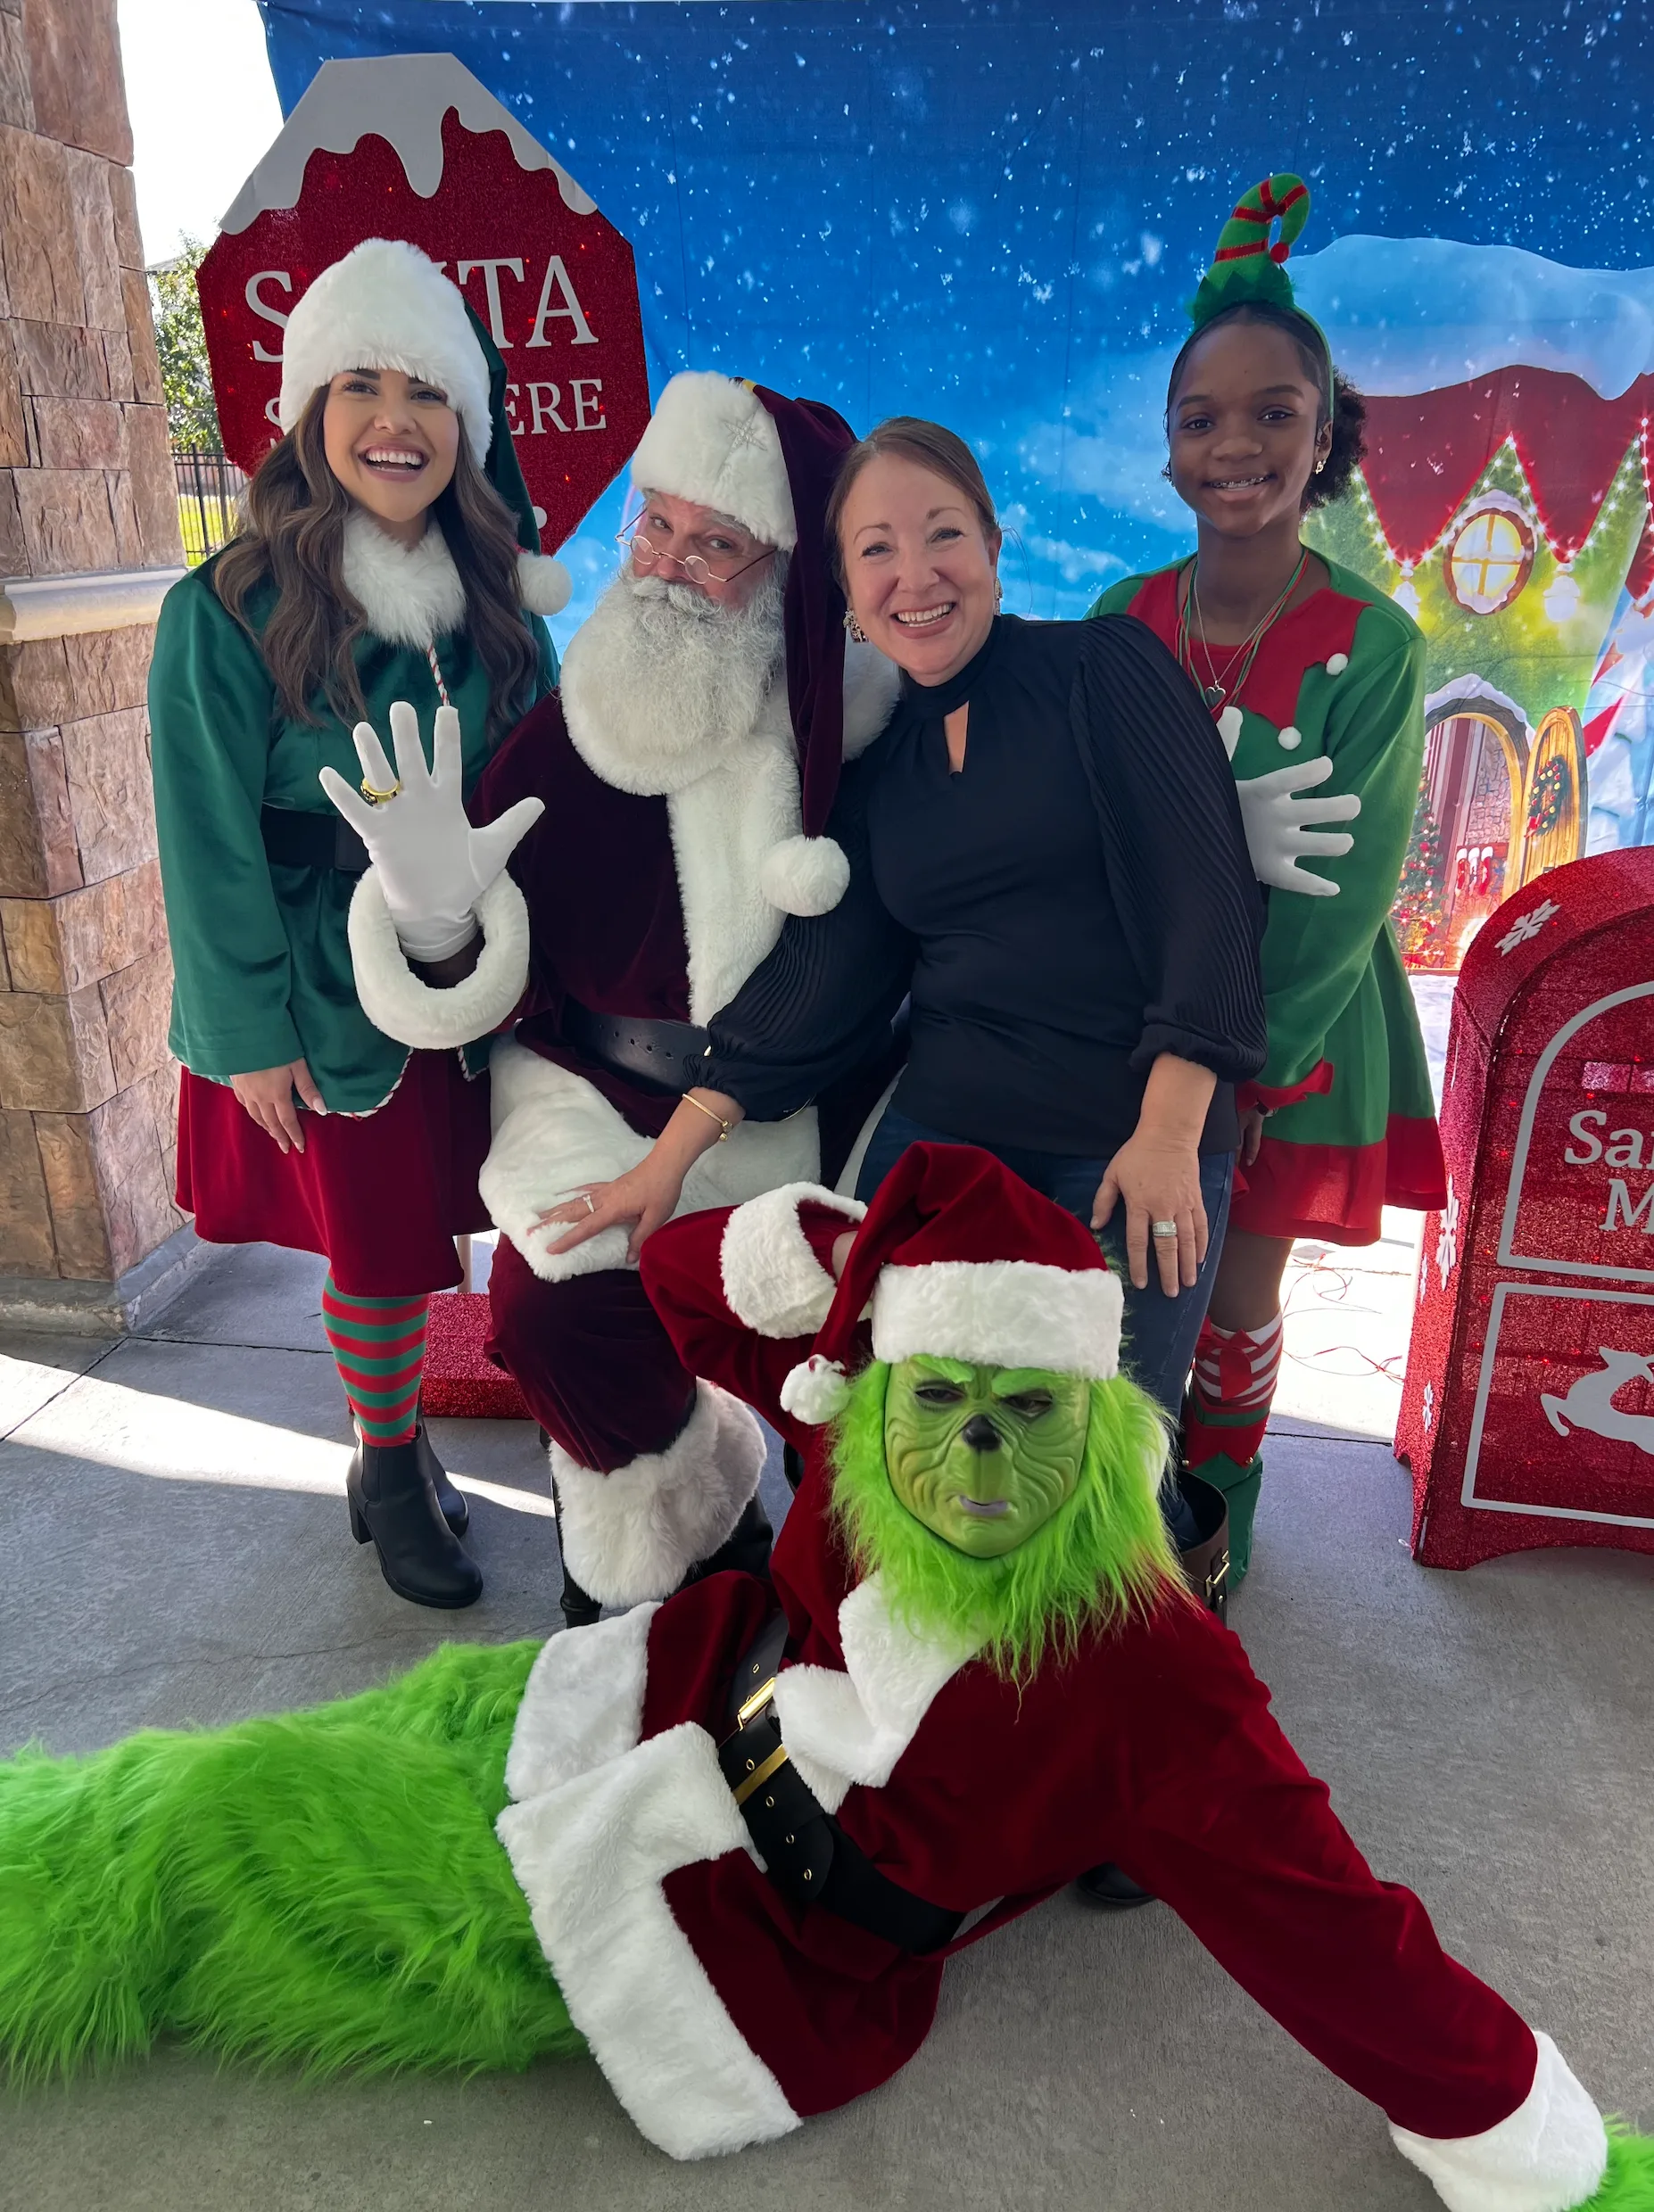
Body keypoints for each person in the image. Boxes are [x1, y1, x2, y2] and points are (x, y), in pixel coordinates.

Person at [0, 1144, 1644, 2212]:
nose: (977, 1452)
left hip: (746, 1916)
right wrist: (807, 1259)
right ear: (871, 1388)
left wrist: (1538, 2153)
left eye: (1028, 1409)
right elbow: (663, 1286)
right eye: (937, 1399)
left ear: (1096, 1430)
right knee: (269, 1755)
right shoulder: (843, 1423)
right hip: (672, 1691)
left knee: (227, 1840)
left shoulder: (1146, 1671)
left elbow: (1337, 1931)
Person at [542, 417, 1269, 1476]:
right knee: (879, 1455)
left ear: (992, 545)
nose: (913, 575)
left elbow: (1207, 896)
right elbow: (826, 977)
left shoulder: (1101, 668)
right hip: (945, 1147)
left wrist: (1169, 1136)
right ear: (843, 584)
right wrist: (665, 1162)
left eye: (942, 536)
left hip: (1123, 1149)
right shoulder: (883, 763)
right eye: (875, 547)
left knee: (1088, 1475)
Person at [335, 371, 901, 1622]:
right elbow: (482, 949)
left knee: (839, 1351)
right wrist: (432, 921)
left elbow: (879, 954)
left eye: (717, 544)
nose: (665, 562)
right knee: (548, 1312)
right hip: (587, 1095)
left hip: (781, 1110)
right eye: (655, 523)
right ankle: (672, 1540)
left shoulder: (861, 740)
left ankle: (845, 1579)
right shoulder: (570, 720)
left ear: (783, 572)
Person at [149, 238, 566, 1612]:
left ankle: (492, 1442)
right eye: (361, 386)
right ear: (309, 415)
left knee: (495, 1220)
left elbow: (554, 796)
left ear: (468, 421)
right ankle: (387, 1460)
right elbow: (206, 841)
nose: (397, 420)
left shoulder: (502, 609)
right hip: (326, 987)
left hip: (483, 966)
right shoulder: (222, 612)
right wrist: (244, 1034)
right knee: (381, 1245)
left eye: (429, 392)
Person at [1088, 175, 1448, 1585]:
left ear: (1323, 438)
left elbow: (1347, 895)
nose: (1233, 443)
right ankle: (1115, 1494)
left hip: (1290, 1039)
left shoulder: (1375, 646)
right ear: (1168, 447)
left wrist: (1233, 1070)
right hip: (1132, 1013)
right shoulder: (1123, 618)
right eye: (1200, 418)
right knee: (1127, 1287)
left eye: (1270, 414)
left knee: (1230, 1285)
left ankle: (1211, 1511)